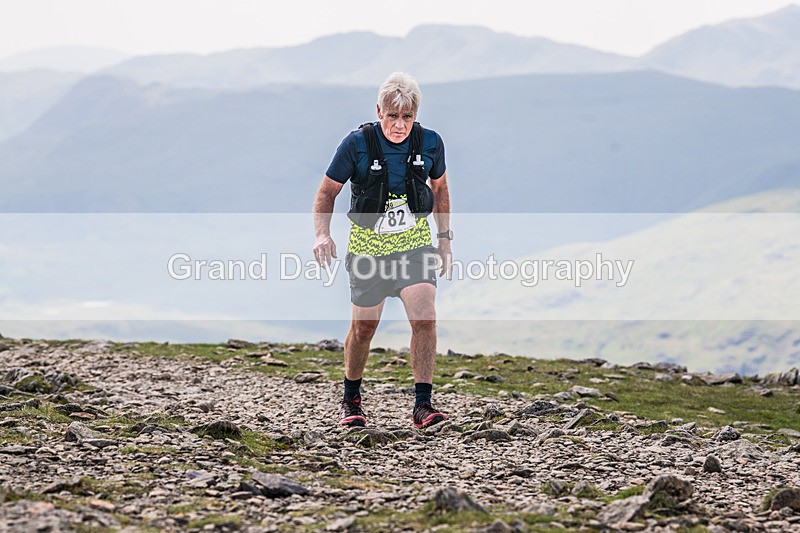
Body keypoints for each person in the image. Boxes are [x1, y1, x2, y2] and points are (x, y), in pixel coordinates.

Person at [312, 72, 453, 429]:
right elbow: (327, 192)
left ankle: (423, 405)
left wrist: (444, 239)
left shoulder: (431, 143)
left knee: (425, 316)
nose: (399, 125)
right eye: (393, 116)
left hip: (414, 245)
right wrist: (322, 235)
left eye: (407, 117)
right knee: (363, 328)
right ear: (379, 111)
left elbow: (440, 191)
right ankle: (351, 399)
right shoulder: (356, 144)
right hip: (368, 248)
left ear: (415, 115)